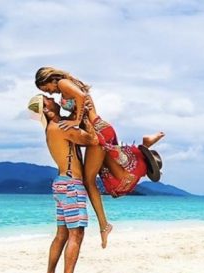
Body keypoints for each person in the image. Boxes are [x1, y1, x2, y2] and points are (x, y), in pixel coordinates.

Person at [34, 67, 164, 248]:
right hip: (99, 127)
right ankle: (144, 147)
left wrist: (74, 121)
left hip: (96, 130)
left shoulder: (63, 83)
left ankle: (104, 225)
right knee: (114, 170)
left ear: (48, 79)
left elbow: (80, 97)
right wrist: (72, 120)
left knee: (90, 181)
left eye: (46, 89)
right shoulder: (66, 85)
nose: (49, 93)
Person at [27, 94, 98, 273]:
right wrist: (85, 115)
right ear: (46, 109)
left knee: (62, 235)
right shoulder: (59, 128)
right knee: (77, 233)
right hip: (71, 185)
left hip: (61, 184)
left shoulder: (52, 129)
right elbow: (92, 139)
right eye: (47, 98)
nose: (52, 97)